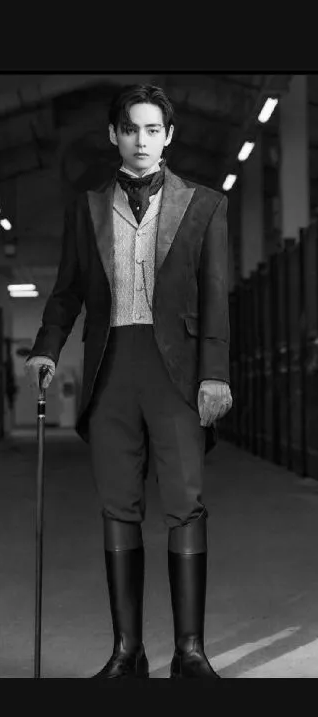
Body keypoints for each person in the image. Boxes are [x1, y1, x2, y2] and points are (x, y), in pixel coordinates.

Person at [25, 83, 233, 679]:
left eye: (152, 130)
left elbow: (216, 298)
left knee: (185, 504)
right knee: (119, 506)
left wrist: (214, 374)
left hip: (178, 373)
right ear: (113, 135)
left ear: (167, 137)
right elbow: (66, 293)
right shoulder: (85, 207)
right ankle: (127, 652)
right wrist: (46, 350)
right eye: (130, 129)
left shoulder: (205, 206)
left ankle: (189, 653)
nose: (141, 141)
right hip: (111, 365)